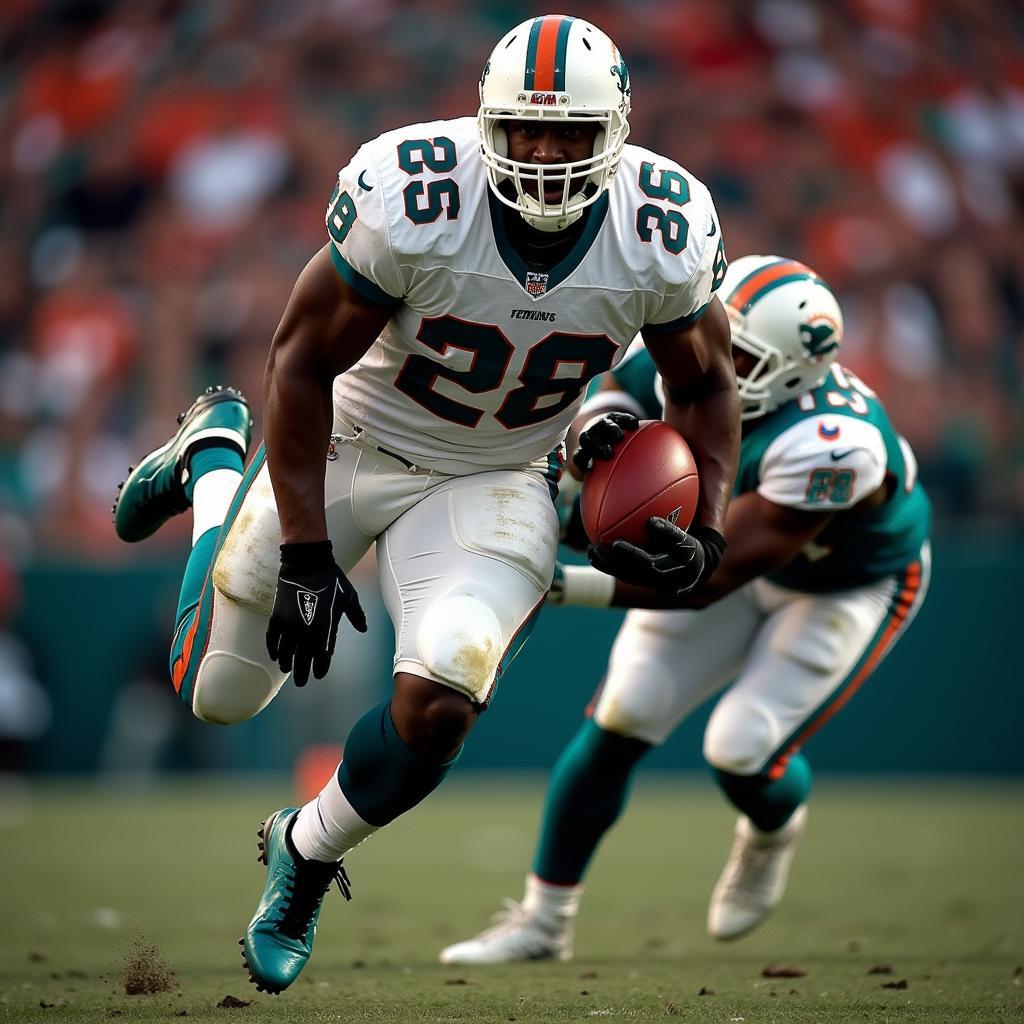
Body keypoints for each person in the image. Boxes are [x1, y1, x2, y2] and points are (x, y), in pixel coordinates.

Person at [112, 15, 739, 994]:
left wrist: (707, 527)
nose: (542, 153)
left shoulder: (661, 228)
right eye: (525, 129)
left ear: (614, 131)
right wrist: (313, 553)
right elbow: (302, 359)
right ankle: (215, 461)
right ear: (486, 119)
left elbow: (702, 388)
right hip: (347, 440)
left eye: (567, 133)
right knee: (218, 696)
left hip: (494, 474)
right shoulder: (414, 190)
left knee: (445, 694)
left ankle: (306, 855)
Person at [439, 254, 932, 964]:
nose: (716, 355)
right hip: (731, 565)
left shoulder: (834, 448)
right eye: (719, 331)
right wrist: (597, 433)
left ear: (792, 372)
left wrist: (566, 583)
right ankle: (544, 922)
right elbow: (613, 390)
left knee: (740, 748)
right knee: (624, 712)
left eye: (741, 353)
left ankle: (773, 825)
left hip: (843, 584)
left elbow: (706, 577)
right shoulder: (691, 345)